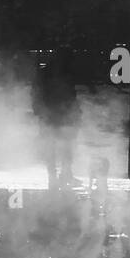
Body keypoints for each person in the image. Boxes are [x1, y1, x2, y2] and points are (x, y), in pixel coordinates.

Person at [33, 48, 79, 187]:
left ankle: (56, 175)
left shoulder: (45, 74)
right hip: (59, 114)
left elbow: (36, 93)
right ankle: (62, 174)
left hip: (53, 115)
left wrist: (39, 110)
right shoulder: (62, 74)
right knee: (63, 145)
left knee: (54, 146)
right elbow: (70, 95)